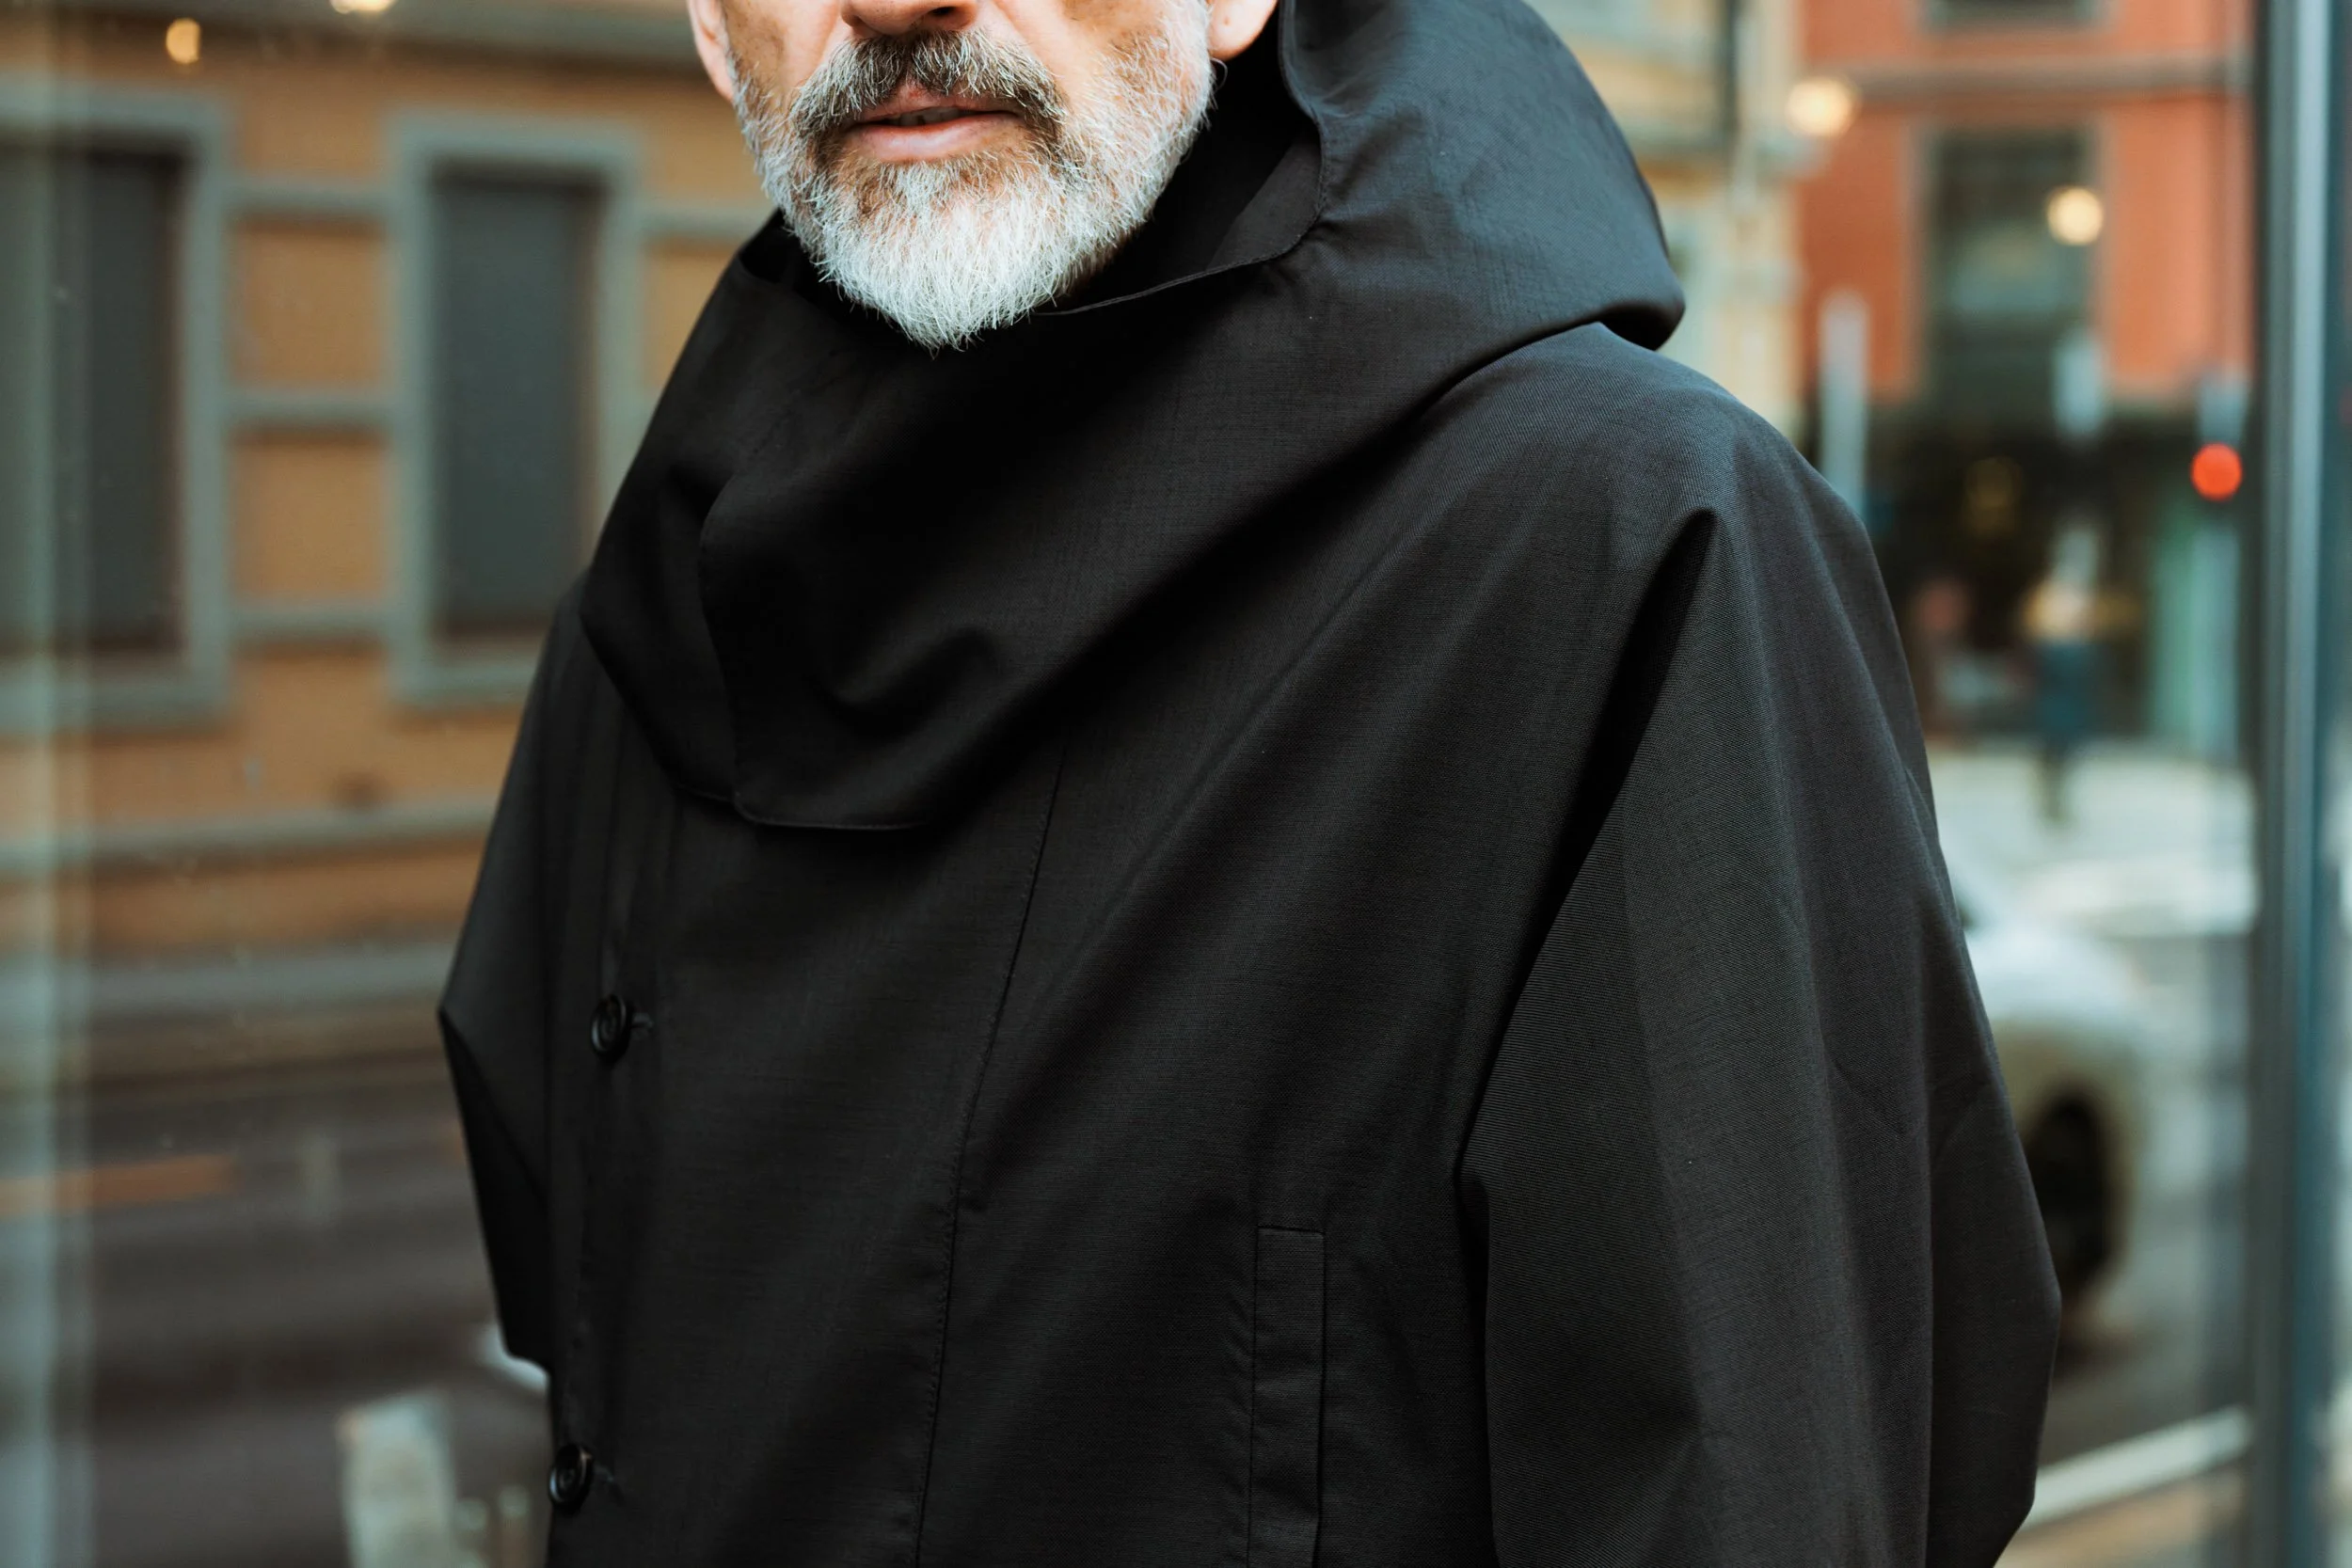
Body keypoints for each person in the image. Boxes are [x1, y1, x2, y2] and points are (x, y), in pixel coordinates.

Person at [439, 0, 2061, 1561]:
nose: (894, 0)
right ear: (712, 28)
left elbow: (1764, 1493)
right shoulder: (668, 611)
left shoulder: (1617, 554)